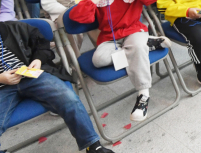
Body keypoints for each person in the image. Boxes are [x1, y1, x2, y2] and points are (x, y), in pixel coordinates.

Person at [69, 0, 168, 122]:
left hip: (133, 31)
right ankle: (147, 45)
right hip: (110, 39)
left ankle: (143, 94)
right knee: (99, 59)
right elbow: (76, 16)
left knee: (135, 46)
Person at [0, 19, 115, 153]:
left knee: (68, 99)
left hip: (31, 75)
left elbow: (41, 44)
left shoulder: (15, 28)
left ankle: (93, 146)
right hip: (2, 87)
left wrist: (38, 59)